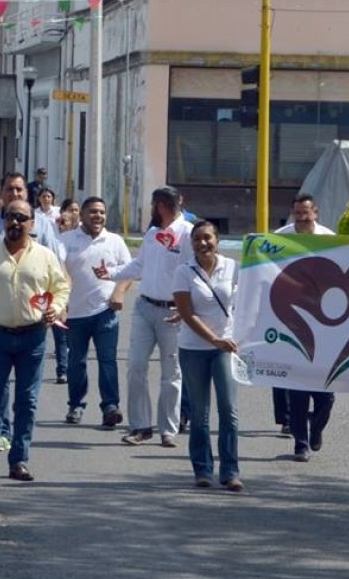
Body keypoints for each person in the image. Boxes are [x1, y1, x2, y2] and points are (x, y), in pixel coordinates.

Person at [0, 199, 70, 482]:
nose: (16, 223)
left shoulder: (45, 256)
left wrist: (56, 308)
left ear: (32, 224)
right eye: (11, 217)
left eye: (22, 218)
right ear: (3, 221)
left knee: (27, 401)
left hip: (32, 337)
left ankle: (19, 459)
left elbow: (60, 288)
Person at [95, 187, 193, 447]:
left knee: (171, 373)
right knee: (136, 366)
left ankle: (168, 429)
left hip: (173, 311)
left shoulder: (188, 234)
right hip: (144, 307)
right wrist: (111, 273)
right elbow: (139, 266)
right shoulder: (152, 234)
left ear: (161, 205)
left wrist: (187, 309)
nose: (152, 209)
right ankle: (140, 426)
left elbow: (195, 273)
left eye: (154, 204)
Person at [171, 220, 243, 491]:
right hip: (193, 350)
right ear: (191, 244)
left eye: (208, 238)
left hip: (225, 350)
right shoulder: (183, 272)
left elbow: (248, 300)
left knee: (229, 411)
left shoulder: (233, 267)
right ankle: (202, 470)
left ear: (217, 240)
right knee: (200, 414)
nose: (203, 244)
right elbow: (187, 313)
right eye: (197, 239)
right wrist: (214, 338)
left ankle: (230, 472)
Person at [60, 197, 133, 427]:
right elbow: (59, 270)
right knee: (76, 362)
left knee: (107, 360)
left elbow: (129, 271)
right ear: (81, 215)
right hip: (75, 314)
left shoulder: (115, 241)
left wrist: (118, 293)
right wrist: (61, 303)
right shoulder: (65, 240)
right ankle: (75, 405)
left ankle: (110, 406)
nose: (98, 216)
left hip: (105, 312)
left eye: (101, 212)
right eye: (92, 212)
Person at [274, 194, 337, 459]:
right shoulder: (279, 239)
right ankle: (300, 442)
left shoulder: (331, 239)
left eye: (306, 214)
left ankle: (316, 427)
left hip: (326, 322)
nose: (301, 219)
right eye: (297, 214)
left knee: (327, 394)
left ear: (316, 213)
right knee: (297, 386)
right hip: (292, 320)